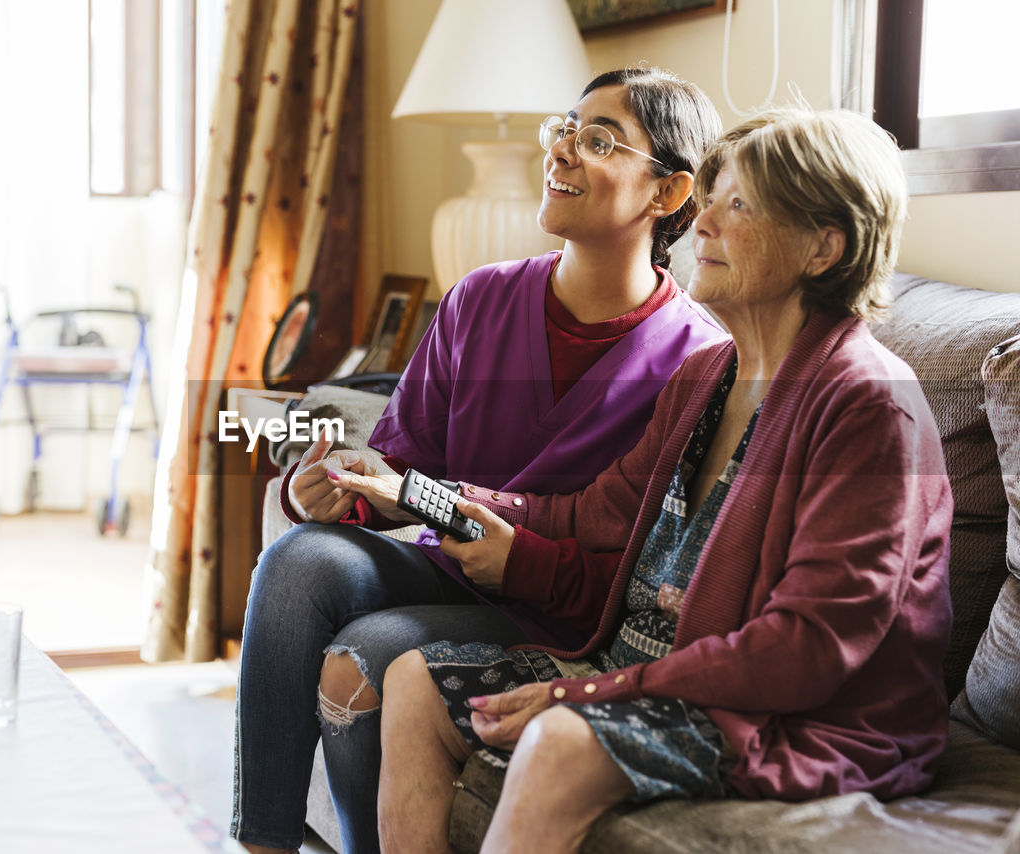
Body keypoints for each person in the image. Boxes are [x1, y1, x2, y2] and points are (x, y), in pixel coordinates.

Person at [344, 107, 953, 854]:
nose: (703, 224)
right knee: (413, 682)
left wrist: (586, 692)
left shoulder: (867, 404)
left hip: (784, 716)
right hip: (653, 670)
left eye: (741, 207)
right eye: (714, 199)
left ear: (823, 247)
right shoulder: (707, 375)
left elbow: (808, 648)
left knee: (559, 743)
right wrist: (426, 494)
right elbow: (597, 513)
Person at [231, 67, 727, 854]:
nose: (562, 151)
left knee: (362, 659)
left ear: (668, 196)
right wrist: (339, 492)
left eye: (599, 140)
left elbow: (638, 562)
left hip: (560, 610)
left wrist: (514, 556)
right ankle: (259, 843)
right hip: (444, 564)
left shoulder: (700, 361)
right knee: (299, 559)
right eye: (564, 128)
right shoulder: (479, 299)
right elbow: (399, 464)